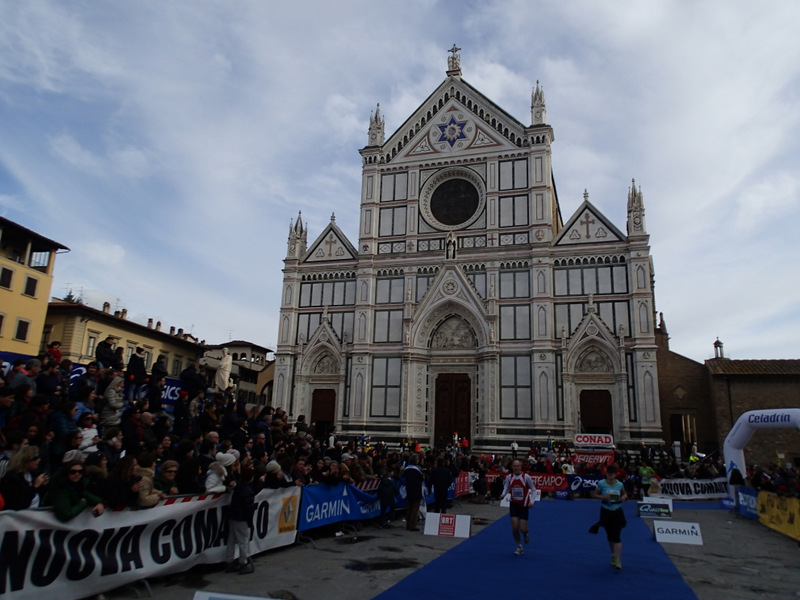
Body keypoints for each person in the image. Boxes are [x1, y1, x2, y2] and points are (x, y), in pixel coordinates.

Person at [589, 464, 628, 570]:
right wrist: (603, 497)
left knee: (617, 536)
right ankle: (613, 556)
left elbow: (624, 494)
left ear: (616, 474)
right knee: (610, 536)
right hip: (606, 511)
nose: (609, 475)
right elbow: (595, 494)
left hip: (617, 512)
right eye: (608, 473)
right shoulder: (601, 484)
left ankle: (618, 560)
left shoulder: (619, 485)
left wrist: (624, 497)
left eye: (611, 473)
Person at [501, 459, 537, 555]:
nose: (516, 468)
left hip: (524, 505)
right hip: (513, 504)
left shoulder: (526, 477)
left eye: (518, 466)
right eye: (514, 466)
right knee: (515, 527)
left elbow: (533, 489)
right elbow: (506, 487)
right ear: (512, 467)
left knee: (522, 528)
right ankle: (519, 546)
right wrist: (503, 494)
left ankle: (525, 533)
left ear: (520, 467)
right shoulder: (509, 477)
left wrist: (532, 501)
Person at [225, 462, 256, 575]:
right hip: (242, 517)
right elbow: (249, 508)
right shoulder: (248, 490)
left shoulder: (239, 486)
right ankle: (243, 562)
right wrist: (249, 521)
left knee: (231, 539)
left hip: (233, 515)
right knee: (243, 541)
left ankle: (229, 561)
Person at [403, 454, 425, 531]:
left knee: (409, 507)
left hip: (409, 489)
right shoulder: (417, 469)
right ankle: (413, 525)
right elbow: (421, 478)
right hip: (416, 489)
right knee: (415, 508)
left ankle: (408, 523)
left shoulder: (406, 468)